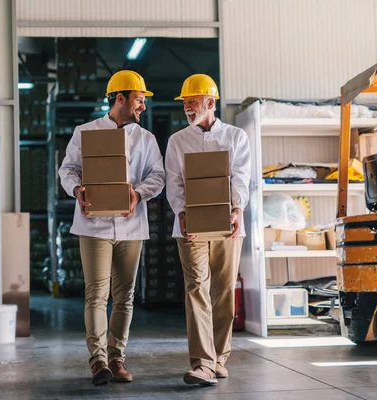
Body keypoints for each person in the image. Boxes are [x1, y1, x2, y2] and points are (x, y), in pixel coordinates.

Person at [58, 70, 165, 386]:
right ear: (121, 98)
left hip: (131, 228)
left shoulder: (146, 139)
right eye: (139, 99)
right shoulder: (85, 132)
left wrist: (138, 193)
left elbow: (157, 177)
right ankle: (98, 361)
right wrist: (77, 190)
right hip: (94, 226)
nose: (142, 106)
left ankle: (117, 357)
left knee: (125, 297)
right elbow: (68, 170)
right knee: (96, 294)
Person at [164, 74, 251, 386]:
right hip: (190, 228)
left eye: (193, 102)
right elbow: (174, 182)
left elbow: (240, 176)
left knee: (224, 291)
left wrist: (237, 208)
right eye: (185, 103)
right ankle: (202, 363)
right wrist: (182, 213)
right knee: (196, 290)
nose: (188, 108)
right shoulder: (177, 141)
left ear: (210, 103)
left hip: (228, 226)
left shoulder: (236, 137)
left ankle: (219, 357)